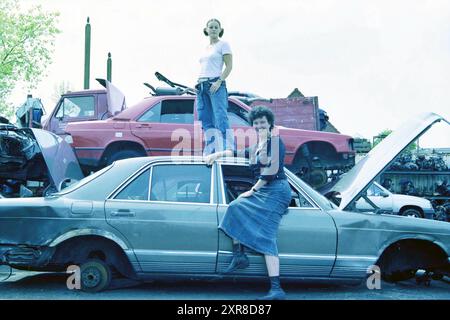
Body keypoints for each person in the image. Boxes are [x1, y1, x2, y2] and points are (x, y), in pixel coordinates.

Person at [205, 106, 291, 300]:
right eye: (256, 122)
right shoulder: (255, 147)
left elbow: (272, 171)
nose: (259, 125)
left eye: (263, 122)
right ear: (252, 125)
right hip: (263, 190)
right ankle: (239, 256)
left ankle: (276, 289)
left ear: (270, 124)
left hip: (276, 190)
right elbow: (236, 152)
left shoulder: (275, 142)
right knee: (235, 207)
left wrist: (252, 190)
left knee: (267, 234)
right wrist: (216, 155)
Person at [196, 18, 234, 155]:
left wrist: (219, 81)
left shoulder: (223, 44)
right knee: (205, 118)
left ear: (220, 30)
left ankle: (229, 148)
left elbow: (229, 66)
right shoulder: (205, 49)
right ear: (206, 30)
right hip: (201, 85)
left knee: (220, 117)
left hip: (215, 84)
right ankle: (211, 150)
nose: (213, 29)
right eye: (210, 27)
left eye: (215, 27)